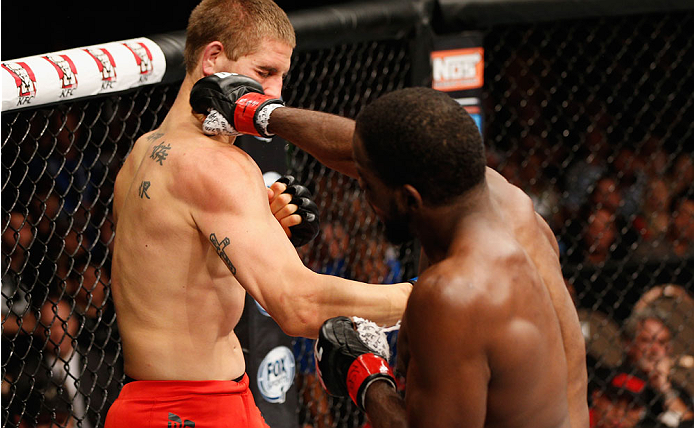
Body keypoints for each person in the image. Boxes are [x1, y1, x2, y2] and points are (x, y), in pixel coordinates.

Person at [105, 1, 411, 427]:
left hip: (171, 400)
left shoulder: (141, 152)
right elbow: (298, 305)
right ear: (213, 59)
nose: (276, 94)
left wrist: (268, 229)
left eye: (282, 76)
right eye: (264, 72)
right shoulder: (215, 166)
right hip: (193, 408)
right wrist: (420, 297)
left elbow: (180, 275)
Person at [210, 85, 588, 426]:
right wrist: (259, 113)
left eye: (368, 187)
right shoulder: (492, 197)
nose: (364, 196)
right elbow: (356, 147)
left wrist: (365, 375)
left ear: (408, 198)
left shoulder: (454, 294)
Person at [622, 306, 694, 426]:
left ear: (669, 348)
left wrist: (664, 389)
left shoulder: (676, 390)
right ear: (629, 344)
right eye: (647, 341)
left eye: (661, 342)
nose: (655, 349)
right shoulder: (615, 381)